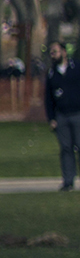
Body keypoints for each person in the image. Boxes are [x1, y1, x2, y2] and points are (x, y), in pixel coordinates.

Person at [48, 40, 80, 191]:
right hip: (62, 115)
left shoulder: (76, 68)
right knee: (66, 148)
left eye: (55, 51)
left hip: (77, 113)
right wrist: (52, 118)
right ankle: (68, 180)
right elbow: (48, 99)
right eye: (51, 52)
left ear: (64, 52)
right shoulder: (52, 74)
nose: (53, 55)